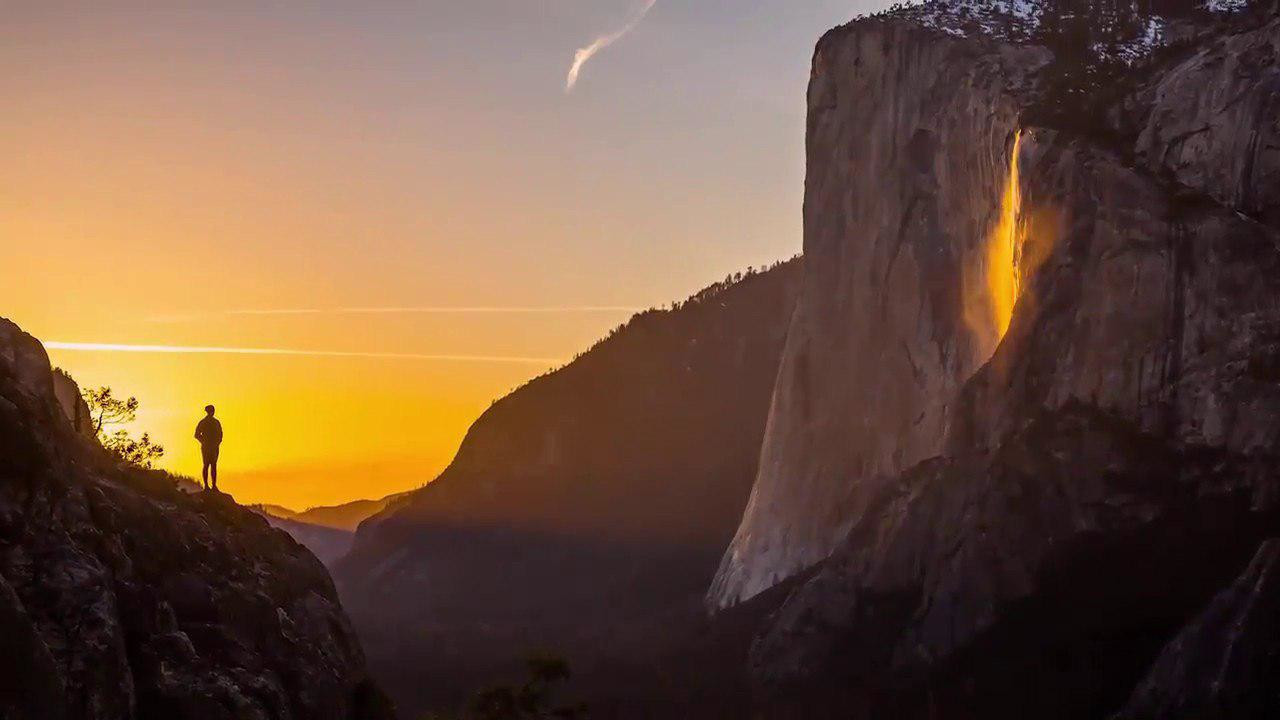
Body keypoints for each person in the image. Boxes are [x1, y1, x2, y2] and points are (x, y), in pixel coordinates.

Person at [194, 405, 223, 491]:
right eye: (211, 410)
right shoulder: (203, 422)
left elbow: (221, 434)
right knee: (206, 465)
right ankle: (206, 485)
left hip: (214, 447)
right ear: (208, 411)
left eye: (213, 410)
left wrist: (217, 442)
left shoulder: (216, 422)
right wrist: (204, 441)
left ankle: (214, 485)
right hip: (206, 447)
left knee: (213, 465)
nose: (212, 412)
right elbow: (196, 435)